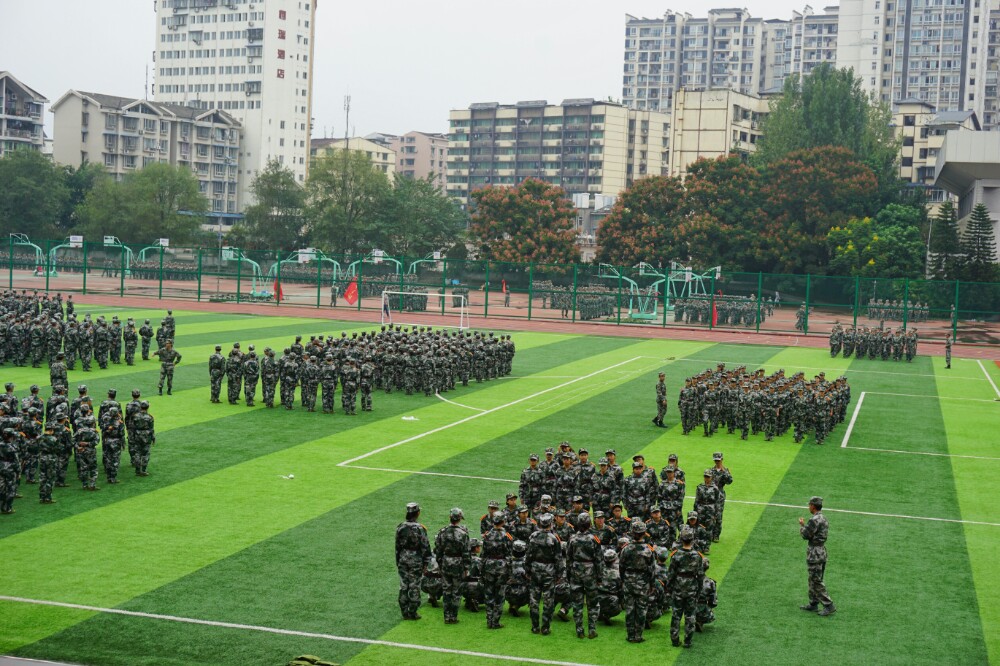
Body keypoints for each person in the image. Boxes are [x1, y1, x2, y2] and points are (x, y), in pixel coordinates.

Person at [667, 527, 706, 648]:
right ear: (692, 540)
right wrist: (698, 590)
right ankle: (688, 641)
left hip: (678, 587)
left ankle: (674, 640)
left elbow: (671, 575)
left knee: (676, 615)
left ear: (681, 539)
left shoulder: (675, 555)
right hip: (692, 588)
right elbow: (700, 576)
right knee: (690, 616)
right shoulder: (698, 556)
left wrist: (669, 589)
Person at [567, 512, 604, 639]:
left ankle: (579, 629)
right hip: (590, 573)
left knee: (577, 603)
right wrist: (600, 577)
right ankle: (592, 628)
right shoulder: (594, 539)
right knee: (592, 602)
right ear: (589, 524)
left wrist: (569, 575)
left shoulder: (572, 539)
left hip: (576, 572)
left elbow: (568, 559)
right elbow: (599, 560)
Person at [526, 512, 563, 635]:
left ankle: (535, 626)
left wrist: (527, 570)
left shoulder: (533, 536)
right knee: (548, 601)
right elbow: (558, 558)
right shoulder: (554, 538)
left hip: (535, 570)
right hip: (549, 571)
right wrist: (559, 575)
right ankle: (545, 627)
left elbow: (528, 556)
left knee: (534, 600)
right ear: (551, 523)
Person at [799, 495, 836, 616]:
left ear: (813, 506)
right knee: (813, 579)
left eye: (809, 504)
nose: (808, 506)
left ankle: (828, 605)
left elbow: (805, 535)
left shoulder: (814, 520)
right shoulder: (824, 518)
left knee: (816, 580)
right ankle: (813, 603)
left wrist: (802, 526)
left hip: (815, 554)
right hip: (821, 552)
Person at [395, 502, 433, 620]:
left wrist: (398, 561)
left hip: (403, 559)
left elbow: (397, 547)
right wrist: (426, 564)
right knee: (414, 585)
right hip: (416, 560)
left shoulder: (400, 527)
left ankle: (404, 612)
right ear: (417, 513)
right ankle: (412, 612)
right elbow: (425, 547)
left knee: (403, 586)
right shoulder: (420, 528)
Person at [620, 519, 655, 643]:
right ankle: (638, 635)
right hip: (643, 582)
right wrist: (651, 584)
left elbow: (621, 566)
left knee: (629, 609)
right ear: (644, 533)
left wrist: (624, 580)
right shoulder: (648, 550)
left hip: (629, 581)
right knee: (641, 609)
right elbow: (652, 569)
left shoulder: (626, 549)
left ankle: (630, 635)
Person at [435, 507, 471, 624]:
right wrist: (466, 567)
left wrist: (440, 563)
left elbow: (438, 550)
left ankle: (446, 616)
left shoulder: (442, 532)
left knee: (446, 590)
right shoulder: (463, 534)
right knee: (456, 591)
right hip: (458, 563)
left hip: (446, 561)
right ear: (459, 518)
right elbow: (466, 552)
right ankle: (453, 616)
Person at [481, 513, 513, 629]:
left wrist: (482, 570)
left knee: (489, 594)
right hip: (501, 568)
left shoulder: (487, 535)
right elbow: (509, 555)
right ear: (503, 522)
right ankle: (495, 621)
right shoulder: (506, 536)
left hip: (489, 567)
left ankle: (489, 620)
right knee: (499, 596)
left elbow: (483, 555)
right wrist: (510, 572)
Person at [709, 452, 733, 543]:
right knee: (710, 515)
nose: (717, 462)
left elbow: (729, 481)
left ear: (722, 460)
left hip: (720, 495)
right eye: (716, 460)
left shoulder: (725, 470)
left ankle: (716, 535)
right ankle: (710, 534)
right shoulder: (711, 471)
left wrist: (725, 472)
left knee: (718, 516)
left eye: (718, 460)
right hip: (711, 494)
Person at [131, 401, 155, 477]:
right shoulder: (150, 417)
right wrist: (153, 438)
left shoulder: (135, 416)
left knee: (137, 453)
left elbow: (132, 427)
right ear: (147, 407)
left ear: (140, 407)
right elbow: (151, 429)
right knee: (145, 454)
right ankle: (143, 470)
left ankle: (137, 470)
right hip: (146, 437)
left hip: (137, 436)